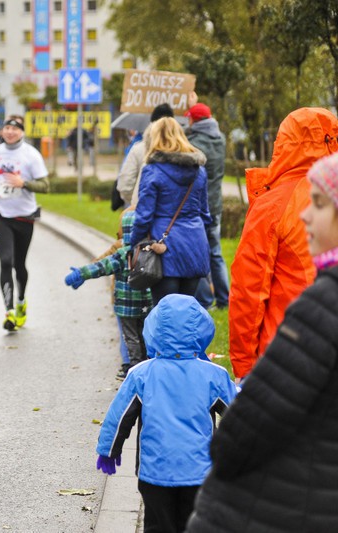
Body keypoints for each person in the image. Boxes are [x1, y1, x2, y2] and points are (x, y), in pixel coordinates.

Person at [186, 151, 338, 532]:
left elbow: (245, 430)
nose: (306, 214)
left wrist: (243, 367)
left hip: (270, 508)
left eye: (318, 204)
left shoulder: (323, 306)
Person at [96, 294, 237, 533]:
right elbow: (240, 417)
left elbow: (119, 416)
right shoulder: (214, 375)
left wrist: (109, 450)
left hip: (155, 471)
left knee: (157, 525)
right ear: (202, 328)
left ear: (153, 329)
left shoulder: (141, 374)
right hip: (199, 471)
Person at [228, 107, 338, 382]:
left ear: (284, 144)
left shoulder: (274, 205)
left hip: (287, 355)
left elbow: (248, 292)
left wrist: (244, 367)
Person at [65, 207, 153, 378]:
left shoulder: (123, 254)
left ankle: (134, 366)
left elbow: (101, 267)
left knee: (130, 337)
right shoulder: (149, 252)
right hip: (146, 304)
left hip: (125, 307)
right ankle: (147, 362)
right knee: (144, 334)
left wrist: (80, 274)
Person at [131, 117, 211, 305]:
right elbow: (205, 214)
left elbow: (144, 216)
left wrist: (133, 245)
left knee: (165, 312)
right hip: (194, 245)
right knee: (186, 311)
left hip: (163, 248)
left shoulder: (152, 170)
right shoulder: (199, 171)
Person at [0, 115, 49, 330]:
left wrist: (24, 183)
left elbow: (45, 185)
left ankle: (21, 300)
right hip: (2, 215)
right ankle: (9, 311)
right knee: (6, 261)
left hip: (25, 216)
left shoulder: (31, 154)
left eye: (15, 128)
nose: (10, 131)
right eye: (7, 128)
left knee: (20, 265)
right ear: (2, 132)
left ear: (22, 132)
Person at [185, 100, 229, 309]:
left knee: (198, 253)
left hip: (200, 207)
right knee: (216, 253)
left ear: (194, 120)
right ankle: (224, 298)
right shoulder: (221, 138)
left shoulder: (194, 143)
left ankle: (205, 299)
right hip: (216, 205)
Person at [116, 104, 175, 206]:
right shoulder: (184, 151)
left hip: (144, 212)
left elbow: (125, 185)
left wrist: (137, 201)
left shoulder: (139, 149)